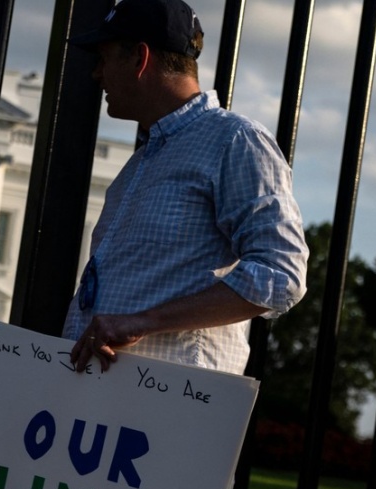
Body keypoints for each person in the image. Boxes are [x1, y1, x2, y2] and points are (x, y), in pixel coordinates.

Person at [65, 0, 308, 376]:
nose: (96, 74)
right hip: (116, 405)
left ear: (139, 58)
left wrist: (143, 321)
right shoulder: (145, 160)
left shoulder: (235, 139)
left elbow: (281, 274)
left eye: (104, 58)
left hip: (171, 405)